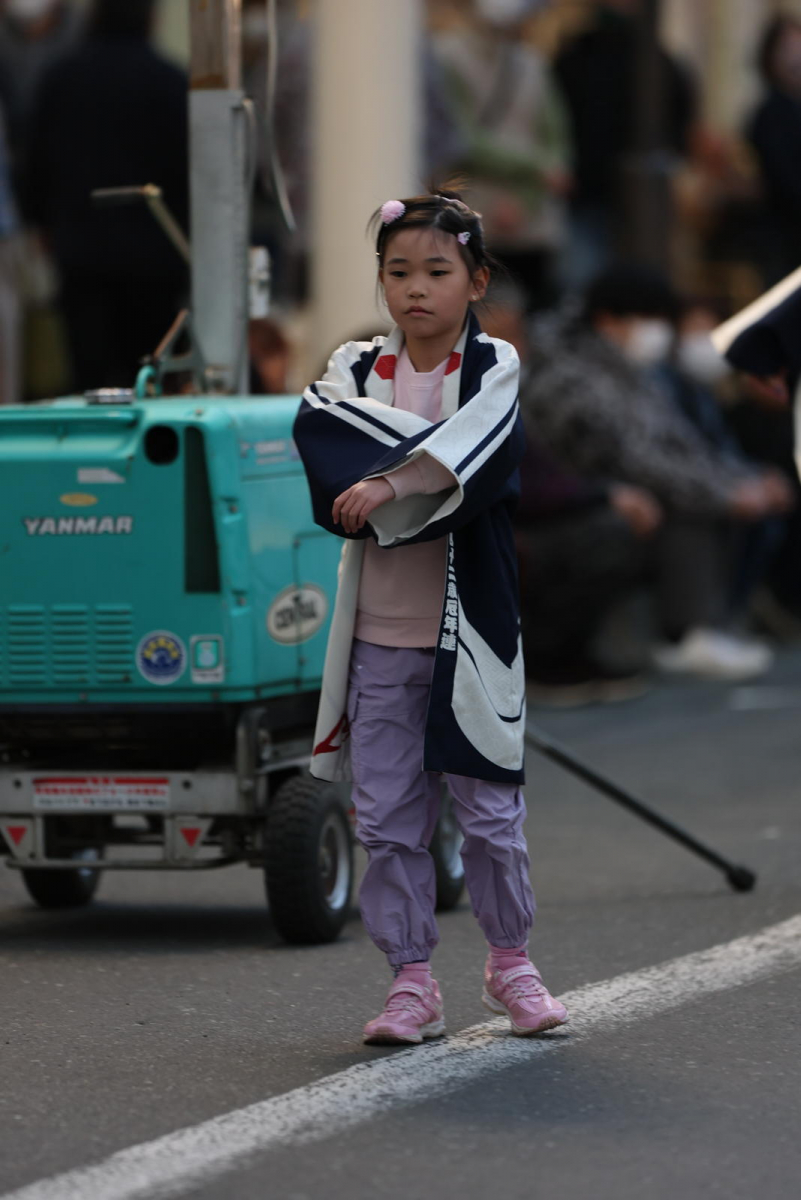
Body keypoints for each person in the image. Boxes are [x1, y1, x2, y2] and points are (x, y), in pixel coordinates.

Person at [293, 190, 567, 1045]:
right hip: (379, 632)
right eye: (397, 271)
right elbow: (322, 435)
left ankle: (509, 964)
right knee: (385, 815)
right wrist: (401, 474)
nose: (415, 289)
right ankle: (411, 981)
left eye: (437, 272)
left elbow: (480, 453)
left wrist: (388, 481)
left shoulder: (494, 367)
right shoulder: (354, 369)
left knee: (489, 811)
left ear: (476, 280)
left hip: (470, 630)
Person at [524, 264, 788, 680]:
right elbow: (636, 461)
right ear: (609, 320)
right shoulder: (566, 378)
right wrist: (727, 493)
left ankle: (712, 625)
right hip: (581, 505)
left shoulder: (629, 371)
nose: (659, 332)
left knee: (742, 497)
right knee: (687, 504)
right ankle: (689, 633)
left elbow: (679, 444)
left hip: (614, 493)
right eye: (648, 319)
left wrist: (740, 482)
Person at [23, 0, 188, 391]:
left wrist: (43, 227)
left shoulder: (60, 77)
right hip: (155, 259)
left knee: (89, 381)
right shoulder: (171, 81)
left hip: (81, 256)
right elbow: (187, 174)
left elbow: (37, 164)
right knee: (151, 378)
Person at [433, 0, 572, 311]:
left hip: (528, 223)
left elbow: (556, 141)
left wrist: (525, 199)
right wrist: (533, 173)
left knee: (527, 313)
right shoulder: (448, 56)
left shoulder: (532, 62)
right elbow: (459, 139)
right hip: (474, 212)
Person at [748, 15, 801, 284]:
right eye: (787, 49)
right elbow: (783, 178)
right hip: (784, 241)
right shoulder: (772, 113)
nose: (796, 59)